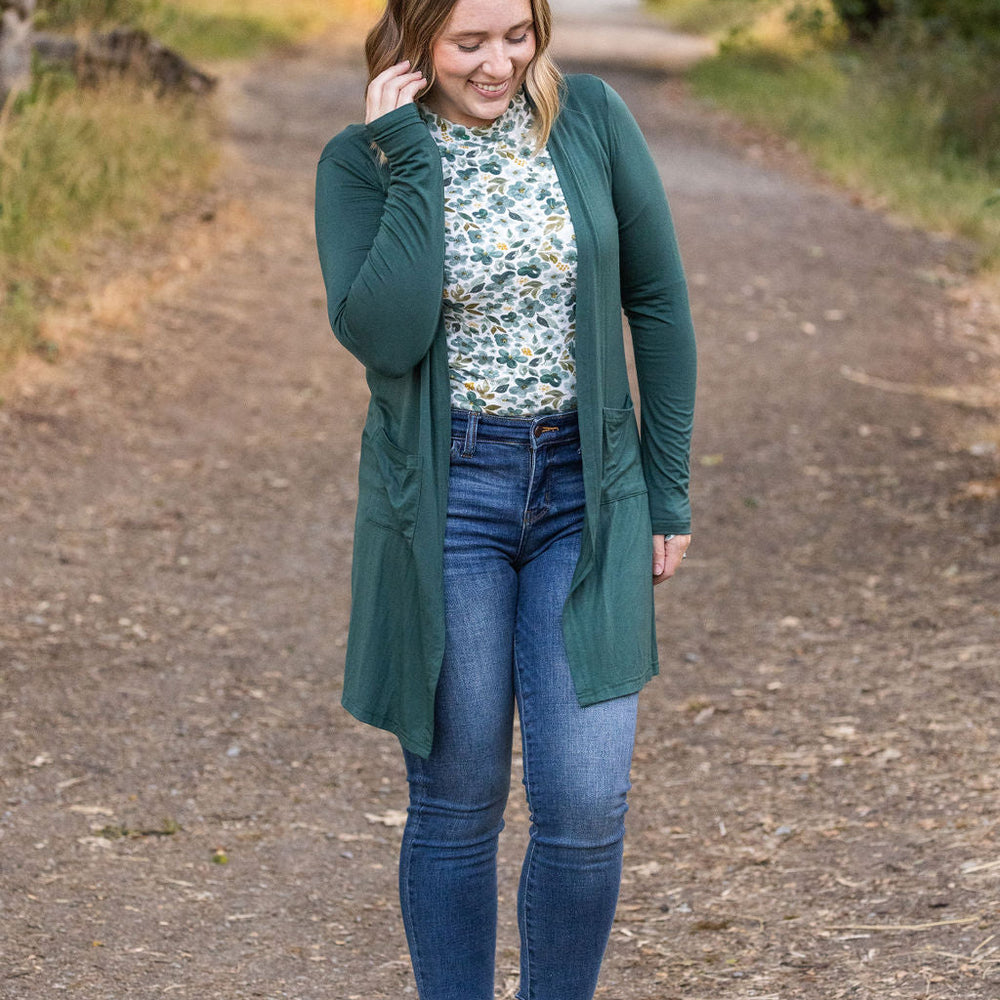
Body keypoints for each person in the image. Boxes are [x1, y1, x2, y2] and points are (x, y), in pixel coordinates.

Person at [314, 0, 696, 996]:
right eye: (468, 44)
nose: (498, 65)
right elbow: (384, 337)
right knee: (457, 800)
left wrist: (667, 487)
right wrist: (408, 160)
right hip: (451, 502)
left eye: (517, 36)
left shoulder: (592, 118)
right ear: (417, 41)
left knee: (584, 802)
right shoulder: (364, 162)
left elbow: (654, 298)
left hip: (589, 493)